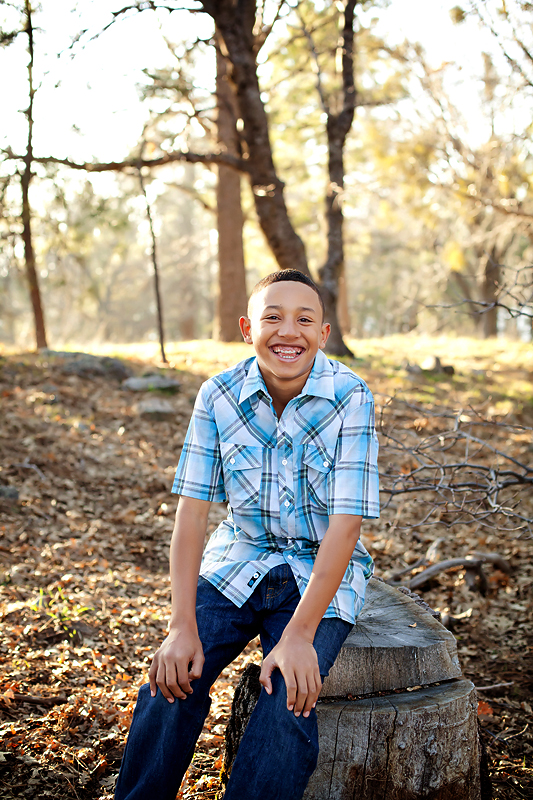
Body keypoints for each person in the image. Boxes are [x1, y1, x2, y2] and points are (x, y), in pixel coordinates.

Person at [114, 269, 379, 800]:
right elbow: (191, 515)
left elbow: (346, 525)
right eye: (272, 317)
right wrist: (180, 624)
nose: (289, 332)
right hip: (239, 558)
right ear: (246, 328)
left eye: (305, 319)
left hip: (319, 571)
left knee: (289, 695)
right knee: (171, 679)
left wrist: (300, 636)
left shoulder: (350, 397)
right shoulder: (219, 395)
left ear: (323, 333)